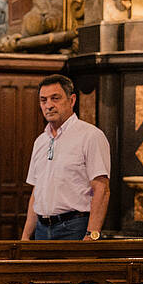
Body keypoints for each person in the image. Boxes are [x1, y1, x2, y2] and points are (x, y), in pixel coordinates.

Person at [22, 75, 111, 241]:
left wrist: (92, 235)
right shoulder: (41, 141)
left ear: (72, 100)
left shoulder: (90, 136)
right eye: (43, 100)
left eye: (55, 98)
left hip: (74, 227)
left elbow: (102, 189)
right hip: (41, 229)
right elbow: (37, 191)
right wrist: (26, 236)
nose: (49, 105)